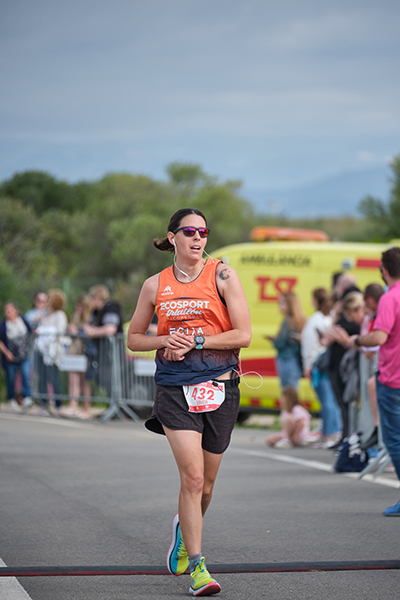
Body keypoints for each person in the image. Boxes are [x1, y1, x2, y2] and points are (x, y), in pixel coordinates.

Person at [127, 208, 251, 596]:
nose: (198, 238)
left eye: (203, 232)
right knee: (193, 478)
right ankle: (198, 567)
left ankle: (184, 530)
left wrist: (198, 341)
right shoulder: (154, 285)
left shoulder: (223, 275)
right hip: (174, 389)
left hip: (220, 385)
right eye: (190, 232)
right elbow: (134, 339)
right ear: (173, 237)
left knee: (208, 486)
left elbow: (243, 334)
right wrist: (166, 341)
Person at [346, 248, 400, 516]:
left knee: (394, 439)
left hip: (393, 377)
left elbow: (379, 338)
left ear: (384, 270)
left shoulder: (390, 298)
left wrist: (356, 340)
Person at [301, 288, 341, 447]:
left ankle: (330, 433)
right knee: (330, 399)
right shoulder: (328, 318)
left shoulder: (315, 320)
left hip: (318, 363)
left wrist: (307, 365)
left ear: (315, 301)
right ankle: (332, 431)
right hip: (328, 363)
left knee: (326, 400)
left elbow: (310, 345)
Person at [59, 295, 92, 420]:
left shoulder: (90, 317)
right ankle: (73, 404)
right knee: (72, 378)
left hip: (84, 351)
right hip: (74, 350)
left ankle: (85, 407)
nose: (78, 308)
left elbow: (89, 332)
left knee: (84, 381)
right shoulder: (75, 316)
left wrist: (78, 330)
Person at [35, 289, 68, 414]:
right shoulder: (45, 314)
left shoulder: (60, 315)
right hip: (42, 350)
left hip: (52, 352)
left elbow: (59, 332)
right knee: (42, 377)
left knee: (53, 378)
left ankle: (58, 405)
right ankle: (43, 404)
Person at [268, 291, 306, 389]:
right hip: (295, 361)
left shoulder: (288, 321)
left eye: (281, 303)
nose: (279, 306)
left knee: (287, 393)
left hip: (287, 360)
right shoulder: (300, 320)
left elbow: (280, 343)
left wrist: (274, 341)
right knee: (292, 390)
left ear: (289, 304)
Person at [0, 302, 33, 410]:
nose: (8, 312)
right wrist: (7, 353)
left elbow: (30, 332)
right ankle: (11, 398)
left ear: (16, 310)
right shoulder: (4, 324)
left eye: (10, 310)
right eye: (6, 310)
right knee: (11, 378)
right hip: (10, 356)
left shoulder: (22, 321)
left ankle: (27, 397)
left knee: (25, 374)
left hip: (24, 355)